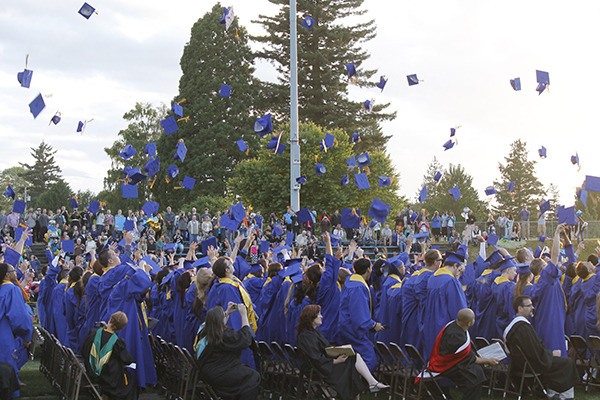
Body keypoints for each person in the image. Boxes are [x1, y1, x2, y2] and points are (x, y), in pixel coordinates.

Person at [297, 305, 388, 399]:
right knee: (353, 362)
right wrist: (335, 361)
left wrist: (338, 350)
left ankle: (372, 382)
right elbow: (315, 358)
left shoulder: (312, 333)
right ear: (311, 317)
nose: (321, 316)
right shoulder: (307, 336)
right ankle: (371, 383)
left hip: (321, 366)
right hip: (319, 370)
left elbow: (323, 351)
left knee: (354, 358)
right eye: (319, 314)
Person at [504, 295, 577, 400]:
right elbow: (536, 352)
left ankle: (554, 392)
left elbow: (534, 349)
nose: (532, 308)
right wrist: (551, 354)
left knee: (560, 361)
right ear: (520, 309)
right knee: (567, 363)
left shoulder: (513, 326)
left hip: (521, 364)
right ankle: (564, 396)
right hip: (531, 364)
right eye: (529, 305)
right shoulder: (522, 328)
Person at [428, 308, 498, 400]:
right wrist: (488, 360)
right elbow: (469, 357)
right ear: (469, 323)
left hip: (453, 361)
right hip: (445, 365)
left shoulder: (455, 325)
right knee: (475, 376)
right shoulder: (456, 336)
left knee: (477, 370)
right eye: (473, 319)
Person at [194, 303, 260, 400]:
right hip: (220, 373)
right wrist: (244, 315)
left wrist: (227, 312)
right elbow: (245, 339)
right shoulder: (223, 336)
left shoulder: (205, 331)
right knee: (253, 377)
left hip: (209, 372)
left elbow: (215, 320)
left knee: (243, 371)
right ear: (220, 322)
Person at [337, 257, 384, 372]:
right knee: (369, 360)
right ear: (368, 269)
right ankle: (356, 386)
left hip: (345, 327)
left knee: (353, 360)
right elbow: (359, 316)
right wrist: (373, 325)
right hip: (354, 331)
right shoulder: (358, 287)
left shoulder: (350, 282)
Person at [422, 246, 468, 361]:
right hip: (445, 331)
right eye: (459, 269)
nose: (459, 273)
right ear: (454, 266)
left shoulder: (432, 278)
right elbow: (459, 311)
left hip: (430, 327)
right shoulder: (451, 281)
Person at [82, 311, 138, 400]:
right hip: (106, 379)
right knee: (130, 382)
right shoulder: (117, 342)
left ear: (110, 319)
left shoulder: (94, 333)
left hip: (89, 371)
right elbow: (127, 360)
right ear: (121, 328)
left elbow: (83, 349)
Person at [0, 262, 33, 399]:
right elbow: (19, 317)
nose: (16, 272)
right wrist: (26, 335)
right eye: (13, 270)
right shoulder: (10, 290)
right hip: (4, 336)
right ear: (7, 274)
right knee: (7, 372)